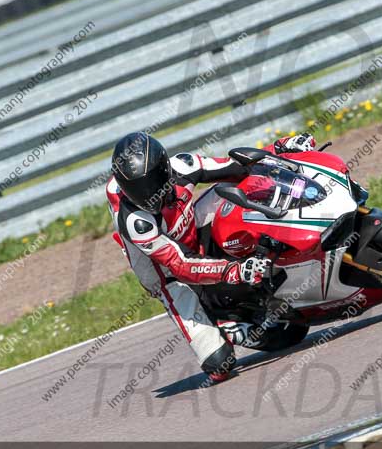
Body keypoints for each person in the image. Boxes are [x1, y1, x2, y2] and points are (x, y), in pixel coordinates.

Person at [106, 131, 317, 382]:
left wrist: (281, 147)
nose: (145, 196)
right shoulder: (135, 223)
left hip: (189, 226)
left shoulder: (184, 166)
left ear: (165, 169)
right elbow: (181, 266)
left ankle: (289, 238)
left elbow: (237, 166)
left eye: (149, 185)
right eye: (135, 190)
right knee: (219, 366)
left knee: (242, 185)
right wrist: (236, 271)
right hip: (168, 276)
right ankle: (226, 326)